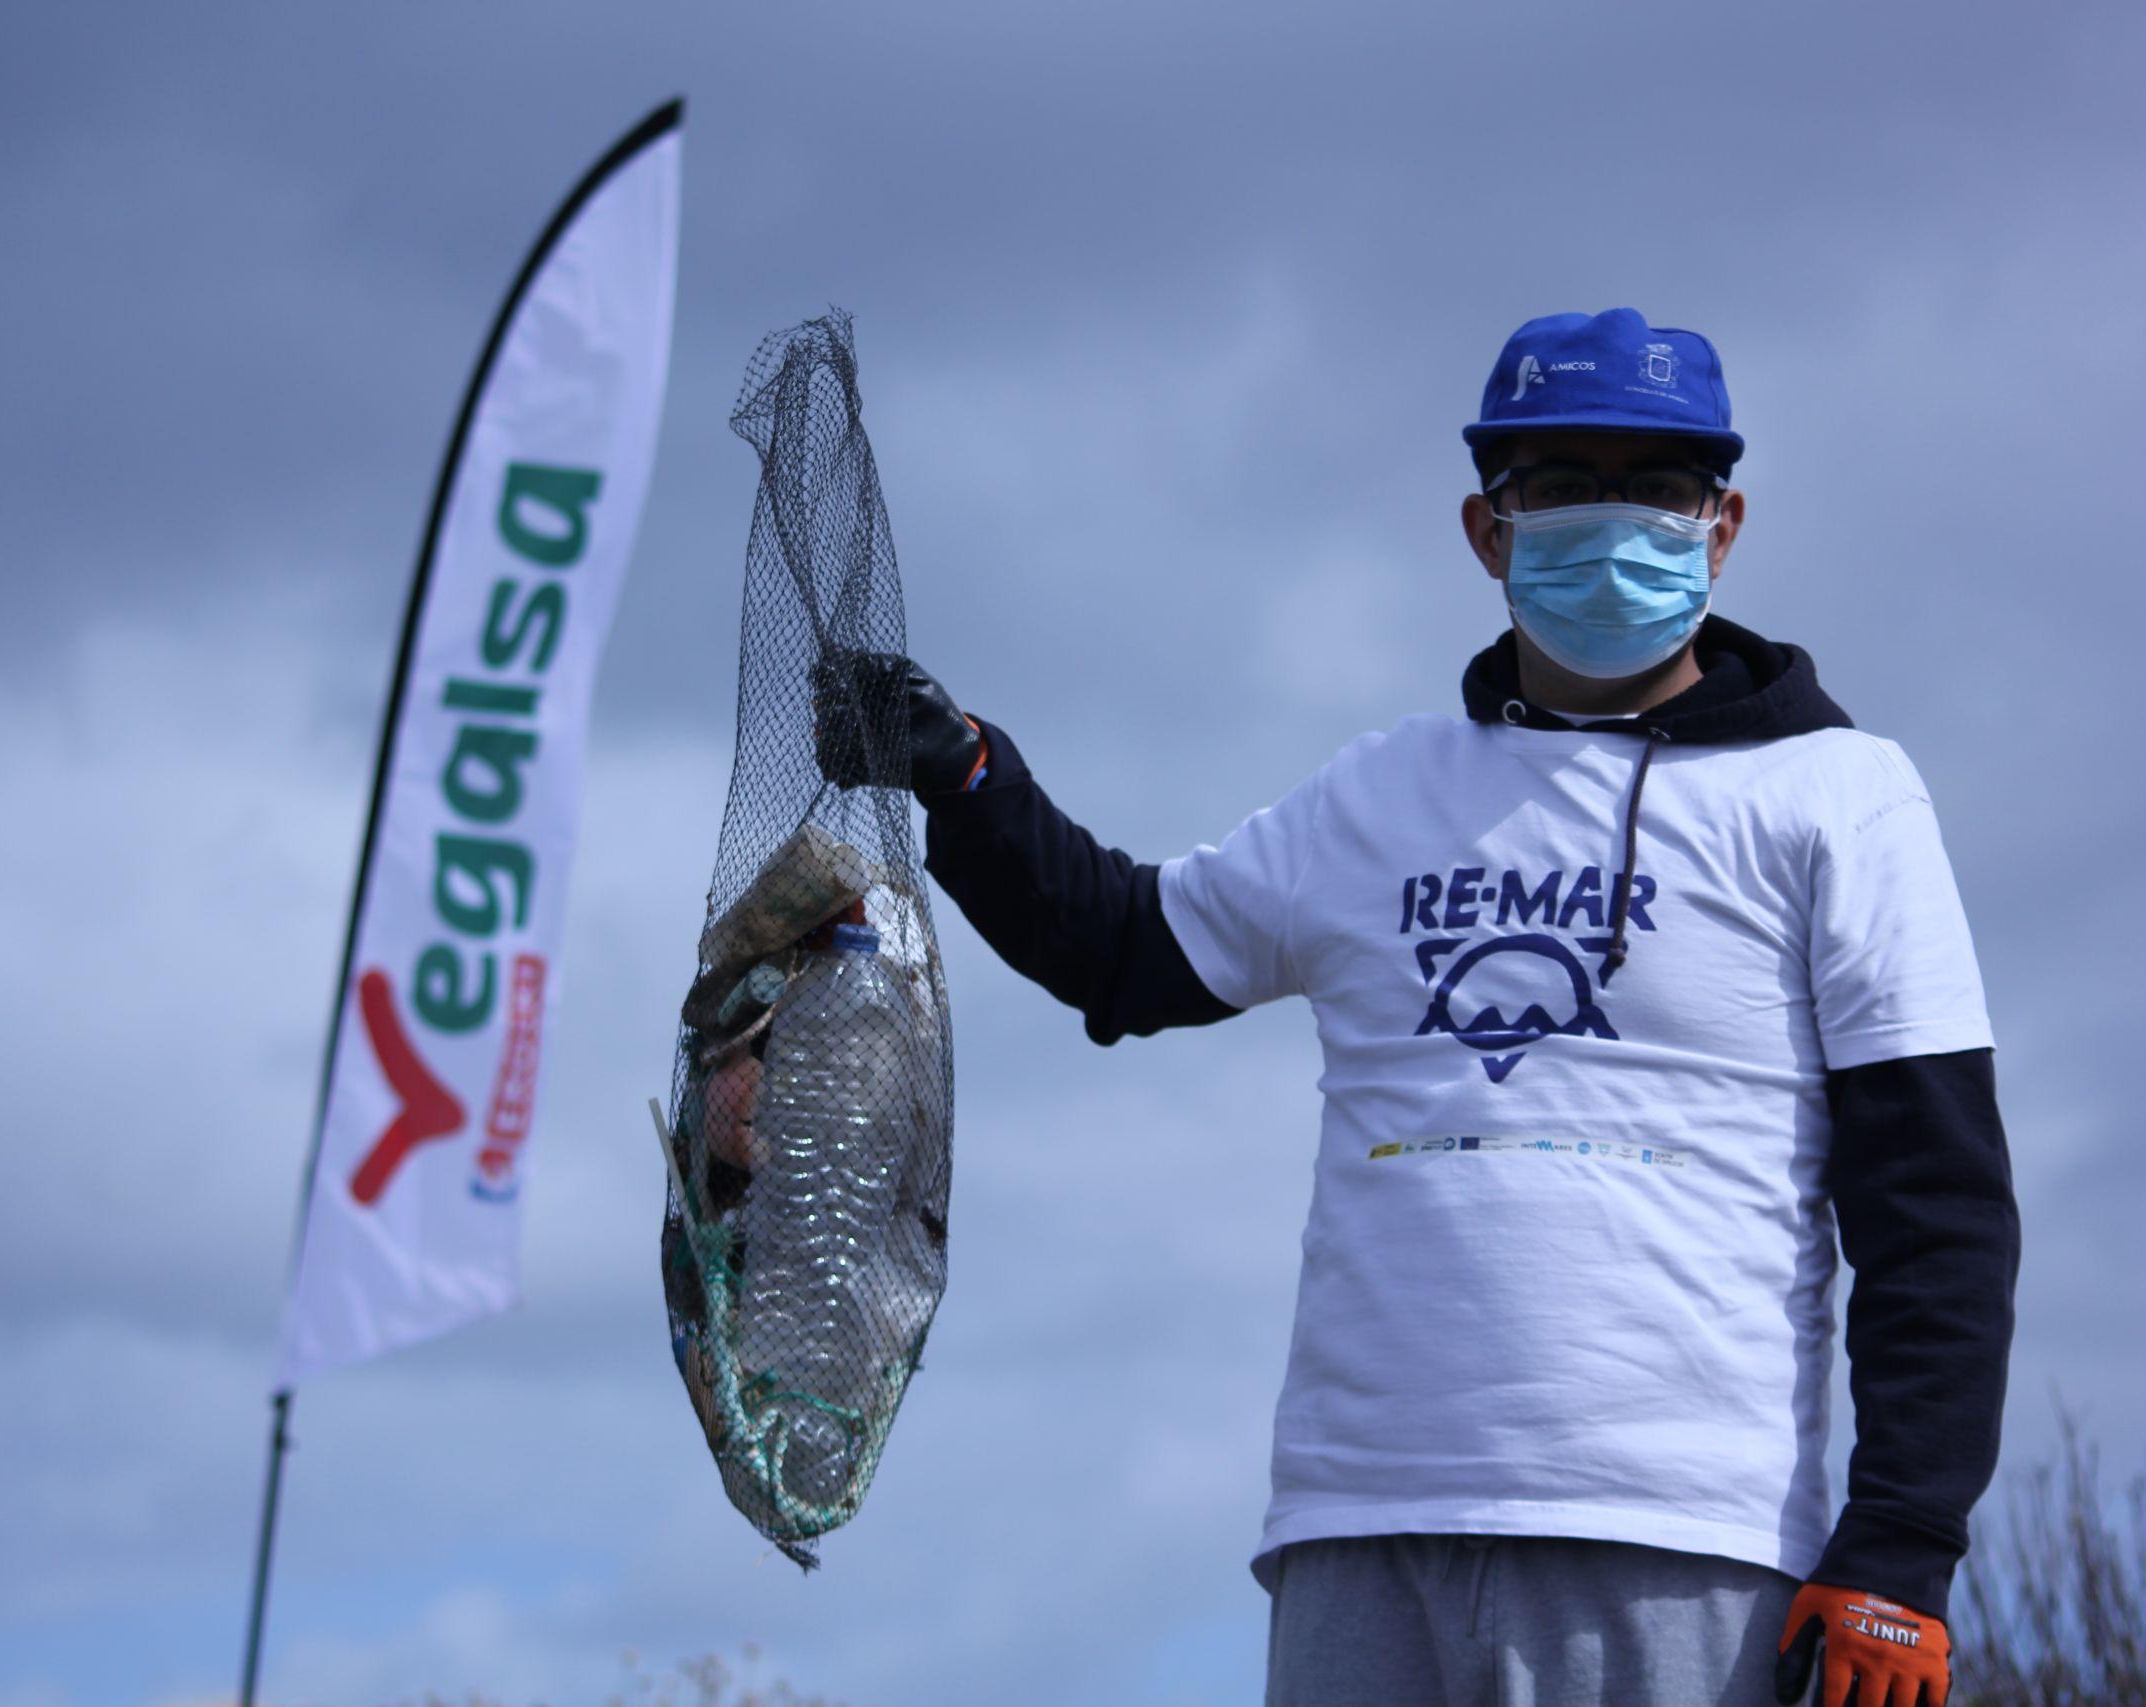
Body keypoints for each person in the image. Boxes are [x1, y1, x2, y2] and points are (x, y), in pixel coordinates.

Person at [814, 308, 2019, 1707]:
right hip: (1358, 1529)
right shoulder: (1379, 793)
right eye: (1560, 488)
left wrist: (1903, 1546)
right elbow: (1126, 949)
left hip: (1685, 1538)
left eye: (1657, 487)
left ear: (1724, 524)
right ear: (1487, 530)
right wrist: (966, 776)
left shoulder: (1843, 796)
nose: (1611, 523)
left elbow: (1936, 1204)